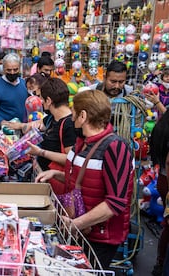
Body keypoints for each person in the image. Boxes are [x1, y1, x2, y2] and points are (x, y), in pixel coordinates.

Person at [36, 89, 134, 268]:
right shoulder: (82, 143)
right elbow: (84, 179)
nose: (71, 119)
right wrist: (56, 174)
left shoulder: (115, 147)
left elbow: (115, 203)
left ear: (83, 115)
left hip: (99, 237)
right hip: (82, 231)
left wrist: (76, 224)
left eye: (73, 114)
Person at [6, 78, 75, 194]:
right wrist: (16, 126)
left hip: (59, 185)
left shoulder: (69, 125)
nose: (40, 102)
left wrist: (40, 152)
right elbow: (36, 125)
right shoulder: (52, 118)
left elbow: (70, 159)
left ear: (48, 100)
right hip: (46, 179)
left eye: (41, 98)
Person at [0, 53, 28, 129]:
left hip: (24, 130)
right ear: (3, 68)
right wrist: (2, 122)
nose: (12, 73)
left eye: (15, 69)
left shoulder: (25, 84)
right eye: (9, 70)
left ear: (19, 68)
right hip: (5, 133)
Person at [150, 110, 169, 276]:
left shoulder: (162, 125)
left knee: (167, 226)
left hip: (163, 180)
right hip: (167, 182)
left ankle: (160, 263)